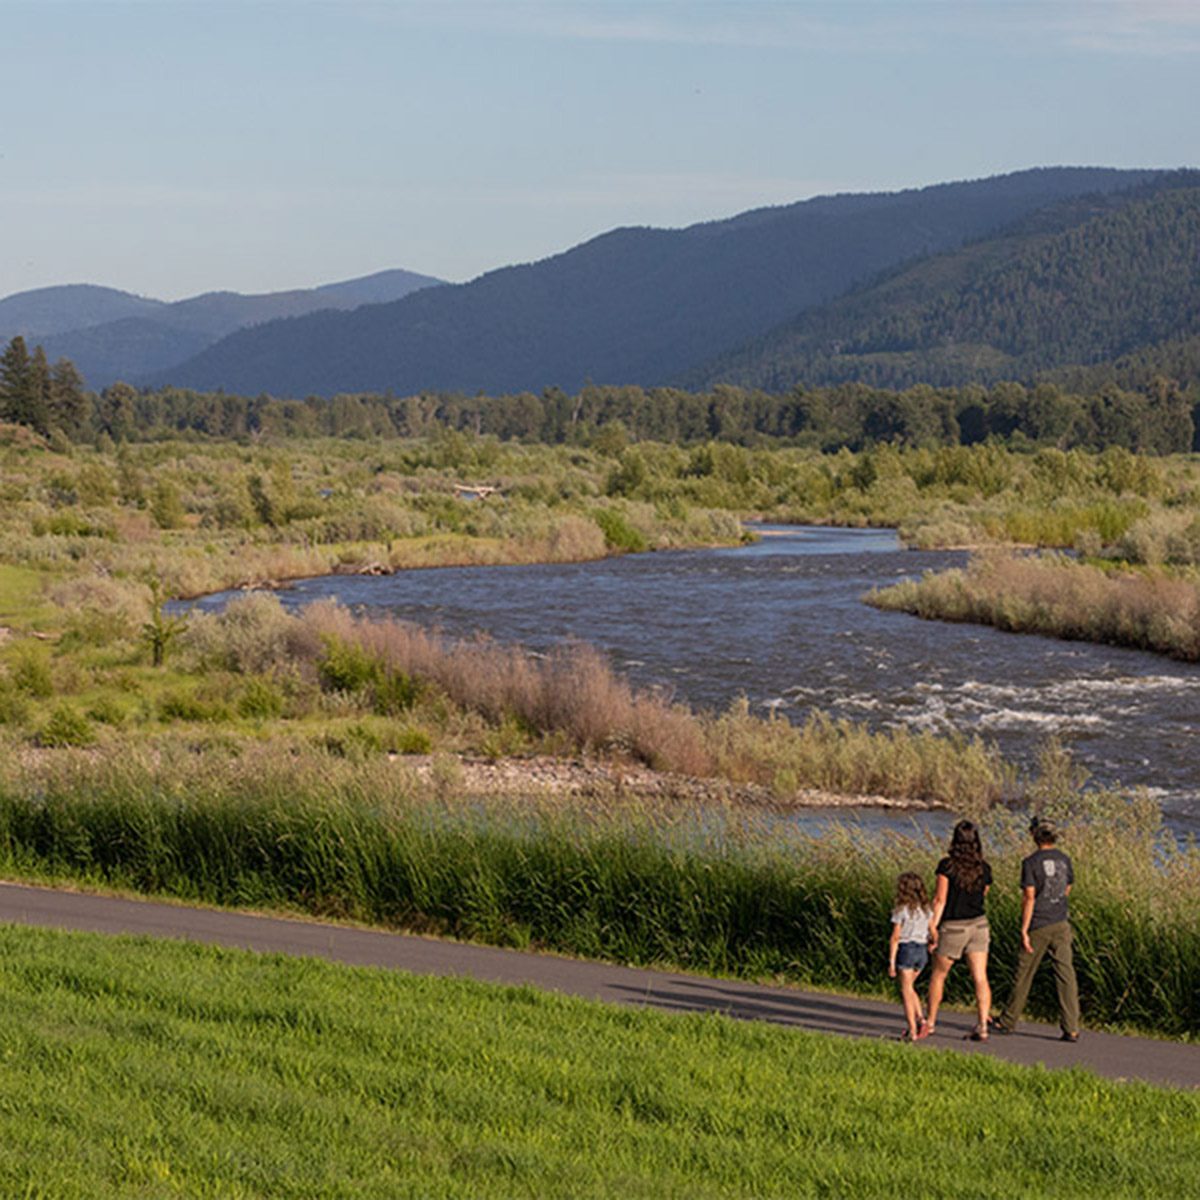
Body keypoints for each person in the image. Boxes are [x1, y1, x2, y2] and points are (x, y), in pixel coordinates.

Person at [994, 818, 1080, 1042]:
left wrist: (1024, 929)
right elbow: (1067, 887)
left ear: (1035, 836)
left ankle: (1008, 1020)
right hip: (1061, 922)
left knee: (1023, 973)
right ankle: (1071, 1026)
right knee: (1065, 974)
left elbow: (1029, 897)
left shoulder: (1030, 862)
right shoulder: (1064, 859)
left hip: (1038, 924)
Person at [925, 820, 993, 1041]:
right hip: (979, 924)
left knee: (939, 974)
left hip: (954, 926)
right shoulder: (984, 868)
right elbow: (983, 894)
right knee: (980, 977)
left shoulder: (947, 866)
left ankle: (931, 1021)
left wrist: (932, 926)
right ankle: (983, 1024)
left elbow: (939, 899)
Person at [888, 871, 933, 1041]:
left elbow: (895, 937)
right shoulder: (926, 909)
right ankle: (921, 1020)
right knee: (910, 986)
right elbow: (933, 932)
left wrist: (892, 962)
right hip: (921, 950)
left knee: (906, 990)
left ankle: (912, 1030)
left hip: (906, 949)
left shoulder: (901, 910)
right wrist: (933, 942)